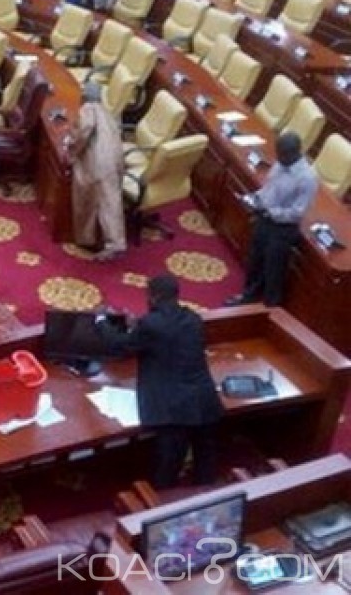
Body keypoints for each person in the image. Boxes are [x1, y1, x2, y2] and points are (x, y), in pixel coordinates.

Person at [95, 275, 224, 489]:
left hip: (172, 409)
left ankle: (163, 500)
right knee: (206, 461)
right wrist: (136, 327)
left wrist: (101, 321)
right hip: (204, 401)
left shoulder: (150, 325)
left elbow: (120, 346)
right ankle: (205, 491)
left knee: (168, 466)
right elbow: (167, 335)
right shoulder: (194, 319)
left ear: (152, 297)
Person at [226, 132, 318, 307]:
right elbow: (269, 189)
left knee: (273, 272)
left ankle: (270, 310)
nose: (278, 158)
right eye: (278, 153)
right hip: (264, 219)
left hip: (283, 230)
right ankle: (248, 298)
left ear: (294, 153)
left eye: (282, 154)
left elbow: (297, 212)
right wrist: (254, 198)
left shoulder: (307, 178)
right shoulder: (280, 164)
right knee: (255, 261)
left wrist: (272, 211)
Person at [70, 81, 126, 261]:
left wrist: (72, 148)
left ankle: (99, 242)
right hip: (115, 161)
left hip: (98, 164)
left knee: (92, 200)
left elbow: (85, 130)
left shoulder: (88, 109)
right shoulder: (108, 113)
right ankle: (113, 242)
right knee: (111, 203)